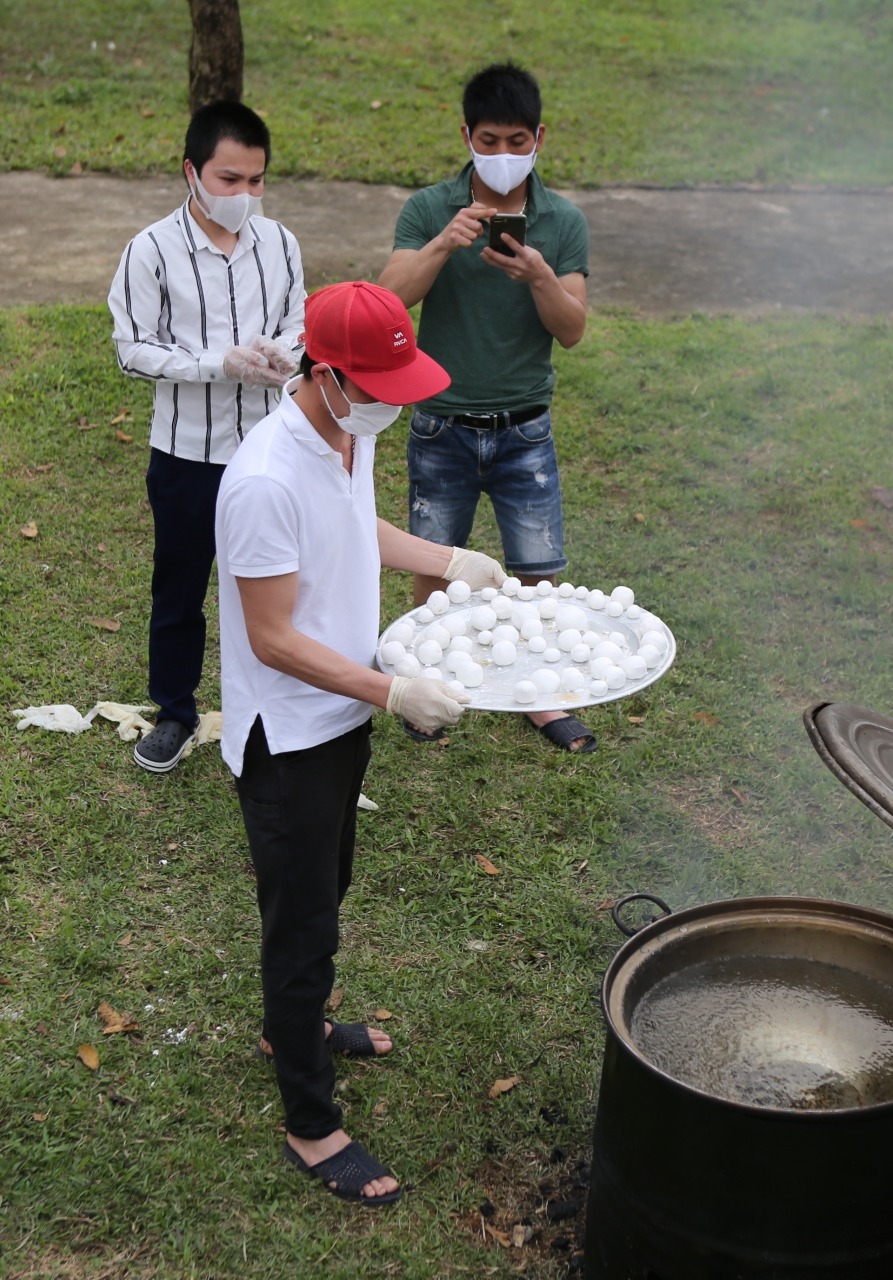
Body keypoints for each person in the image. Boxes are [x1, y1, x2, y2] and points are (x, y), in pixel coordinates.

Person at [216, 280, 503, 1205]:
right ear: (326, 372)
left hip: (341, 716)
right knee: (300, 924)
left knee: (327, 890)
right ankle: (310, 1120)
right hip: (290, 733)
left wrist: (447, 559)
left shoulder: (347, 433)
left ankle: (290, 1027)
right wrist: (393, 690)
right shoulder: (262, 478)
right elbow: (272, 639)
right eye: (377, 384)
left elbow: (352, 529)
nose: (395, 402)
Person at [378, 62, 592, 753]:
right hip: (441, 422)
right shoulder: (428, 209)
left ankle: (540, 694)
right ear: (467, 135)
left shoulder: (561, 222)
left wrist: (538, 274)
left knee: (538, 568)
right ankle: (423, 685)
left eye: (518, 140)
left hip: (524, 427)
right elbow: (389, 301)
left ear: (540, 138)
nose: (505, 155)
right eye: (491, 139)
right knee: (433, 565)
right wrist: (445, 241)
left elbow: (573, 327)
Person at [110, 99, 306, 773]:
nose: (244, 196)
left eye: (255, 181)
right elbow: (130, 348)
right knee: (181, 587)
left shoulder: (280, 243)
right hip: (187, 454)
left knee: (278, 587)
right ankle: (175, 712)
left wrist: (285, 356)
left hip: (272, 452)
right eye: (229, 180)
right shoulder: (151, 251)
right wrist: (215, 364)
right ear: (191, 173)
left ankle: (278, 711)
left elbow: (299, 325)